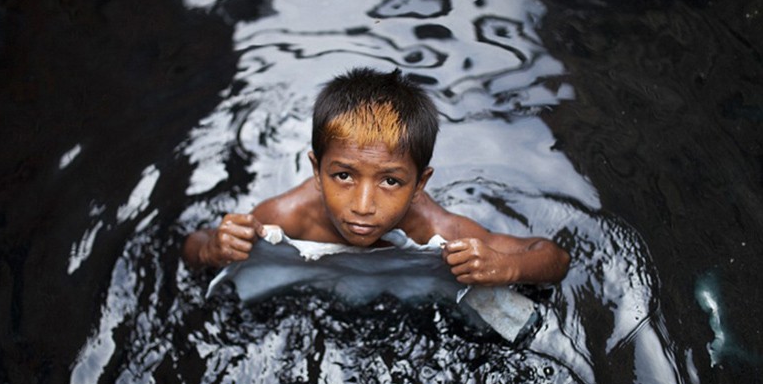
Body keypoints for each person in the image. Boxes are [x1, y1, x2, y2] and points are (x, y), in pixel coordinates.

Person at [183, 67, 570, 287]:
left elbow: (554, 258)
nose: (363, 206)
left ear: (420, 184)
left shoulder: (435, 229)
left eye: (390, 181)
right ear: (316, 170)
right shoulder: (288, 216)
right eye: (343, 175)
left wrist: (507, 268)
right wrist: (212, 249)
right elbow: (192, 246)